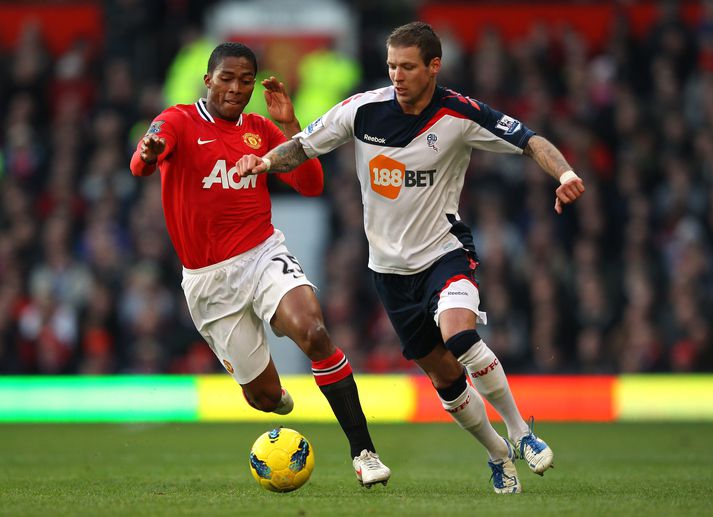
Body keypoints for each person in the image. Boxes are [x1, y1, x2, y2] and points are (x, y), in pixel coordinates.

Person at [236, 22, 586, 494]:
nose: (396, 75)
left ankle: (521, 432)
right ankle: (497, 453)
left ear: (433, 67)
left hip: (445, 253)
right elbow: (302, 146)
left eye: (406, 66)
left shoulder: (460, 114)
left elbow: (529, 140)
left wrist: (563, 173)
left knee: (459, 335)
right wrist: (265, 162)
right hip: (389, 272)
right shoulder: (362, 111)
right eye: (391, 66)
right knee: (444, 375)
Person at [129, 42, 391, 488]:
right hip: (209, 283)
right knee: (266, 399)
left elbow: (310, 185)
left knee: (313, 331)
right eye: (227, 79)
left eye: (245, 81)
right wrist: (151, 152)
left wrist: (288, 125)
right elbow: (140, 165)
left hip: (262, 253)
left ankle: (364, 452)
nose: (236, 89)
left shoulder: (260, 129)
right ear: (207, 80)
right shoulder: (177, 120)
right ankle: (273, 394)